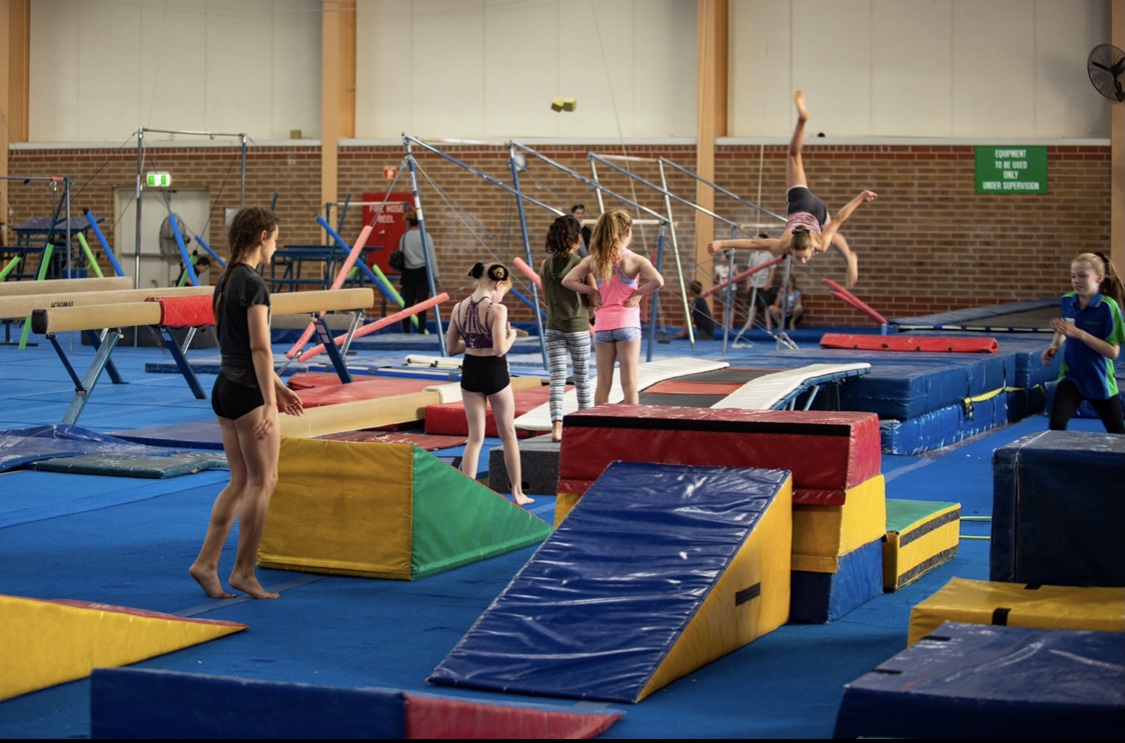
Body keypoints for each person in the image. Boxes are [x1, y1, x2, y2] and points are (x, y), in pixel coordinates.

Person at [189, 206, 304, 600]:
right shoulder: (253, 284)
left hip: (225, 388)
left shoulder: (225, 281)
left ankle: (206, 564)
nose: (277, 245)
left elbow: (234, 347)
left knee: (239, 482)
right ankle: (243, 571)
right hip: (249, 393)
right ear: (261, 237)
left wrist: (279, 386)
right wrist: (271, 402)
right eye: (275, 237)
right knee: (263, 481)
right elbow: (259, 348)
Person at [706, 90, 876, 288]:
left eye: (802, 257)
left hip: (803, 204)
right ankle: (849, 257)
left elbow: (754, 244)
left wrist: (722, 243)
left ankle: (802, 120)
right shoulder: (817, 243)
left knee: (794, 158)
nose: (803, 260)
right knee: (831, 231)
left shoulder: (788, 245)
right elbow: (838, 218)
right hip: (813, 210)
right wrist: (860, 197)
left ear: (807, 246)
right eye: (800, 257)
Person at [445, 262, 533, 506]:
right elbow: (498, 349)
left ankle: (466, 493)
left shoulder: (458, 308)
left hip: (470, 371)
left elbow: (451, 348)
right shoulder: (497, 309)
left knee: (475, 438)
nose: (502, 295)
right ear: (498, 283)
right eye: (503, 291)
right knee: (508, 434)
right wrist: (512, 336)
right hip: (495, 373)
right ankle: (517, 493)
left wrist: (473, 343)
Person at [562, 208, 665, 406]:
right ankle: (631, 427)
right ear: (627, 232)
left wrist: (592, 292)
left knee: (603, 382)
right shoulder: (635, 260)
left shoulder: (594, 260)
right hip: (627, 324)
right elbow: (658, 281)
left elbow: (568, 280)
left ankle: (600, 427)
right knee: (629, 382)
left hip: (603, 326)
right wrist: (637, 293)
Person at [1040, 251, 1124, 434]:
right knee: (1057, 424)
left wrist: (1079, 334)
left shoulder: (1108, 308)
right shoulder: (1068, 300)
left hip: (1099, 378)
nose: (1076, 280)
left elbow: (1113, 352)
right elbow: (1067, 326)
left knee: (1117, 433)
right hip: (1072, 376)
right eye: (1073, 276)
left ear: (1099, 278)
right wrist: (1054, 345)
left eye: (1082, 276)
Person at [541, 215, 594, 442]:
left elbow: (546, 298)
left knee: (557, 377)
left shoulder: (545, 265)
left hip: (553, 326)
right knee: (582, 377)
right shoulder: (582, 264)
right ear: (577, 239)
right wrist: (590, 312)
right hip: (577, 326)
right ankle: (585, 424)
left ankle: (556, 427)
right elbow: (592, 294)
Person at [732, 234, 778, 346]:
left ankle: (768, 324)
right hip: (754, 283)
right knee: (753, 305)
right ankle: (749, 323)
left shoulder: (769, 255)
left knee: (766, 305)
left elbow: (772, 271)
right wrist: (748, 282)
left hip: (764, 283)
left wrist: (768, 282)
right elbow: (750, 270)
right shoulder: (754, 256)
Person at [399, 210, 440, 333]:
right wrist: (436, 276)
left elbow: (403, 254)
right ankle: (421, 330)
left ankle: (405, 330)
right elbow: (431, 257)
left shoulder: (404, 237)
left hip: (408, 272)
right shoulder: (426, 237)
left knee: (408, 303)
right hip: (422, 272)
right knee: (422, 305)